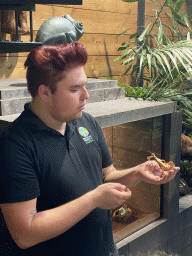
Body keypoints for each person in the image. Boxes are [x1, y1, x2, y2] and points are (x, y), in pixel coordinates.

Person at [0, 42, 179, 256]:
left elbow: (106, 175)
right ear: (45, 92)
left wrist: (136, 173)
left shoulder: (86, 122)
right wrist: (94, 199)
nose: (86, 95)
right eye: (75, 89)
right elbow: (25, 234)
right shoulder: (15, 145)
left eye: (84, 85)